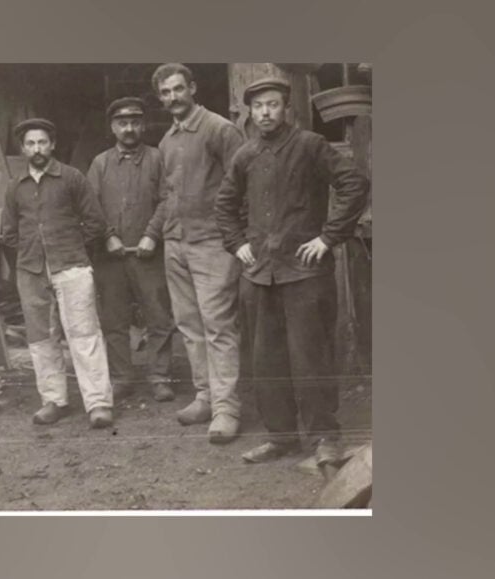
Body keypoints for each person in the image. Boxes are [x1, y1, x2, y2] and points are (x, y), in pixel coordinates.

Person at [215, 77, 369, 465]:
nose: (265, 112)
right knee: (266, 360)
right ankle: (281, 437)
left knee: (310, 356)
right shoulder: (245, 155)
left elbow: (354, 183)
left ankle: (324, 438)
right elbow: (224, 204)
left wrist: (329, 237)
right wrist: (238, 243)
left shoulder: (310, 146)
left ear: (287, 109)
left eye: (273, 104)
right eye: (258, 106)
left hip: (304, 272)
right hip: (258, 274)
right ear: (250, 112)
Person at [149, 63, 245, 442]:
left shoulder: (220, 129)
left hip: (212, 244)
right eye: (165, 92)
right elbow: (166, 195)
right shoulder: (167, 141)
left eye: (178, 89)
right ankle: (205, 396)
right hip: (176, 244)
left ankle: (227, 409)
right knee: (189, 326)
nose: (173, 97)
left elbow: (243, 186)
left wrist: (237, 241)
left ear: (192, 88)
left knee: (219, 327)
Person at [0, 118, 117, 429]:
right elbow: (8, 233)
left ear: (52, 145)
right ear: (22, 149)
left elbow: (95, 224)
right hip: (32, 272)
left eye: (42, 142)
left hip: (72, 267)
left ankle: (98, 403)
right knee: (41, 339)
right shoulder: (15, 187)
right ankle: (54, 400)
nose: (36, 149)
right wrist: (29, 257)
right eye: (30, 144)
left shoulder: (72, 178)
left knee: (84, 335)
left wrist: (72, 251)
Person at [86, 97, 176, 402]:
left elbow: (168, 199)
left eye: (135, 122)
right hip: (110, 257)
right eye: (122, 123)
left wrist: (152, 234)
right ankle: (122, 377)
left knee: (160, 317)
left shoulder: (157, 158)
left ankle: (160, 376)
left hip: (148, 255)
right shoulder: (100, 163)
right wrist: (108, 235)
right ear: (113, 127)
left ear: (144, 125)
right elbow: (90, 206)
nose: (129, 129)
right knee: (114, 319)